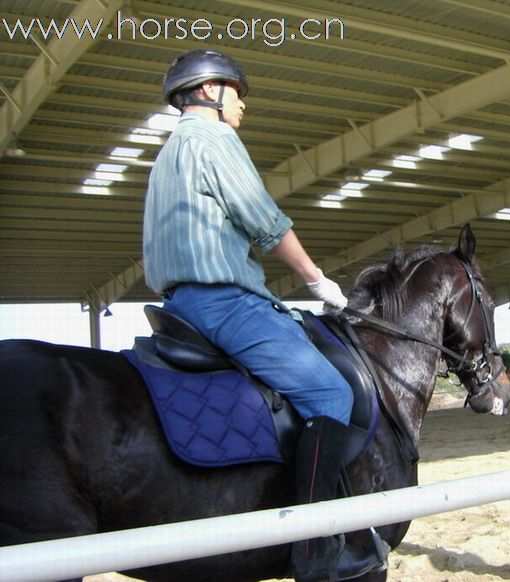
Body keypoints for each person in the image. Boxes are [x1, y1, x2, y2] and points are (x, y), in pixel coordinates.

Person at [143, 49, 385, 582]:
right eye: (238, 93)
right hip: (224, 303)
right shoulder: (212, 139)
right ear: (210, 91)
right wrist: (318, 281)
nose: (243, 106)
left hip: (179, 302)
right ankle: (318, 543)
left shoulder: (166, 154)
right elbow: (264, 221)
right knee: (330, 393)